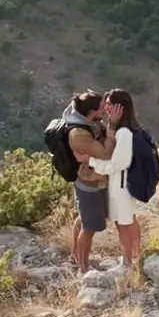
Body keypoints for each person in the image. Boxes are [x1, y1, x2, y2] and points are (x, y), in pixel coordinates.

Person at [63, 90, 123, 273]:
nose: (105, 108)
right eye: (102, 106)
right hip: (90, 184)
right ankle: (83, 268)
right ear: (92, 111)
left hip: (97, 180)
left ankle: (75, 257)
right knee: (89, 228)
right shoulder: (79, 133)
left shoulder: (90, 122)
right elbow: (106, 153)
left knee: (84, 220)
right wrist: (112, 124)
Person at [87, 88, 142, 267]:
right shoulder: (124, 128)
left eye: (110, 104)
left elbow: (118, 164)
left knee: (124, 223)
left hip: (121, 186)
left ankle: (128, 262)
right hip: (122, 183)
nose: (106, 107)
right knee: (128, 220)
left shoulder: (124, 133)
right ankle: (135, 256)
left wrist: (91, 161)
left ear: (120, 107)